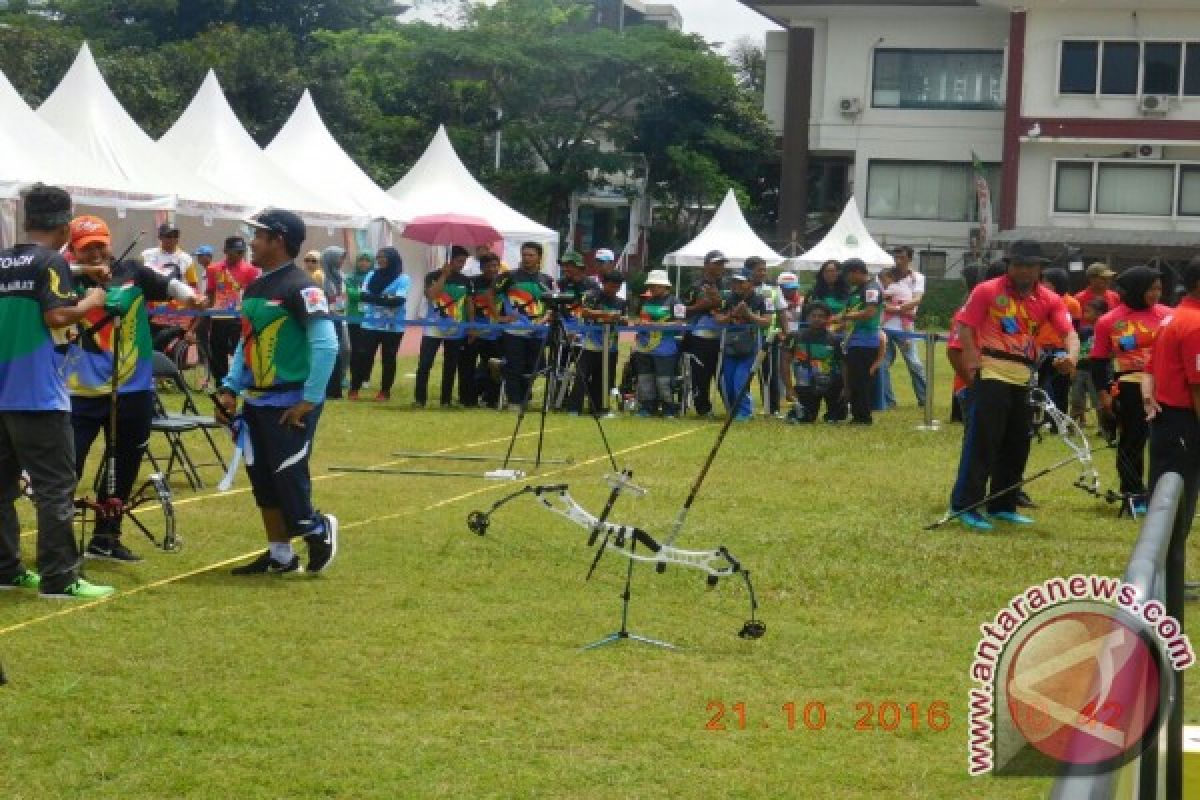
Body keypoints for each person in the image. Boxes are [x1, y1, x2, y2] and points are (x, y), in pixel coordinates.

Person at [66, 215, 203, 562]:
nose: (95, 253)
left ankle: (106, 537)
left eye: (100, 245)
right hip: (79, 392)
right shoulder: (63, 277)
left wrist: (190, 296)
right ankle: (59, 542)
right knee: (68, 466)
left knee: (124, 464)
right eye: (86, 248)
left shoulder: (132, 271)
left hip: (133, 389)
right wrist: (84, 274)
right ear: (73, 250)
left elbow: (168, 285)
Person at [0, 185, 114, 599]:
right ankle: (60, 578)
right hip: (38, 396)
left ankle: (7, 569)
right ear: (65, 225)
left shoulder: (5, 259)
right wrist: (92, 300)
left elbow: (31, 285)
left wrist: (80, 274)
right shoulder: (50, 261)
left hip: (3, 392)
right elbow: (57, 313)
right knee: (54, 491)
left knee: (1, 491)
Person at [216, 209, 338, 576]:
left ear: (278, 241)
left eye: (258, 236)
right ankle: (281, 556)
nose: (251, 242)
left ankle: (317, 528)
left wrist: (310, 399)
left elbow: (326, 345)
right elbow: (246, 344)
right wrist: (229, 388)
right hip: (255, 400)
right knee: (264, 483)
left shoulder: (303, 287)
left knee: (288, 477)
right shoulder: (254, 287)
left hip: (291, 403)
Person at [949, 240, 1078, 531]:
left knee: (1017, 444)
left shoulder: (1049, 299)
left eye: (1030, 266)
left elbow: (1069, 333)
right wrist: (970, 356)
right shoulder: (986, 290)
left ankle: (1003, 505)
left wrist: (1071, 356)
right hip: (991, 370)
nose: (1023, 272)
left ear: (1039, 269)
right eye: (1018, 265)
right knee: (983, 443)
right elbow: (966, 325)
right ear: (1009, 265)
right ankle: (964, 505)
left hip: (1024, 375)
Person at [1089, 266, 1171, 514]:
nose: (1157, 293)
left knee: (1166, 441)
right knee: (1132, 442)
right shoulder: (1109, 321)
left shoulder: (1169, 316)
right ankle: (1133, 493)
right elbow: (1099, 360)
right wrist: (1103, 395)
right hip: (1130, 387)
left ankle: (1163, 493)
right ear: (1136, 290)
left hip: (1166, 386)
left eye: (1159, 288)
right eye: (1151, 289)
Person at [1143, 257, 1200, 536]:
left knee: (1164, 494)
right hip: (1184, 421)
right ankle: (1169, 571)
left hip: (1166, 418)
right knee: (1179, 498)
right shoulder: (1196, 324)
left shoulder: (1171, 317)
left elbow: (1150, 366)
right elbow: (1197, 385)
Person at [495, 242, 555, 409]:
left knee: (533, 368)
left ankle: (525, 398)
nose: (527, 258)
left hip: (538, 332)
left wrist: (547, 317)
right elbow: (490, 295)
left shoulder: (547, 280)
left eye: (531, 255)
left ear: (539, 258)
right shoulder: (508, 277)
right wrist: (499, 316)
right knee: (514, 366)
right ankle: (514, 401)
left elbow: (553, 304)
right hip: (513, 332)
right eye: (524, 254)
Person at [350, 247, 409, 401]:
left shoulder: (403, 278)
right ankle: (354, 388)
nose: (381, 260)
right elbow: (362, 296)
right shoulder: (371, 275)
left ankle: (384, 391)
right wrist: (386, 299)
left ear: (393, 259)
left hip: (393, 327)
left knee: (388, 359)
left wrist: (375, 298)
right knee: (363, 356)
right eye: (379, 257)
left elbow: (399, 301)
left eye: (384, 257)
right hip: (370, 324)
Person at [415, 245, 471, 408]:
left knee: (451, 365)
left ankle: (445, 400)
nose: (462, 265)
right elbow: (431, 295)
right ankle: (420, 399)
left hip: (456, 330)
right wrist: (444, 276)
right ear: (450, 260)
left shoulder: (465, 281)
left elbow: (469, 304)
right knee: (425, 363)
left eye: (464, 262)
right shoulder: (432, 276)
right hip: (433, 328)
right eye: (459, 261)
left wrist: (470, 325)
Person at [714, 268, 770, 421]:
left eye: (740, 282)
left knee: (741, 379)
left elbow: (766, 322)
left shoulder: (760, 300)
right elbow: (718, 319)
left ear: (750, 283)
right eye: (734, 281)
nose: (736, 285)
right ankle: (733, 409)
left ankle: (744, 412)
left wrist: (748, 314)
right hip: (730, 345)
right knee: (729, 380)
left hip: (751, 347)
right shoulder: (729, 298)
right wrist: (732, 314)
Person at [203, 236, 261, 385]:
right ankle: (220, 381)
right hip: (218, 316)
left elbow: (253, 295)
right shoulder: (213, 269)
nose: (239, 255)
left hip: (239, 316)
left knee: (239, 349)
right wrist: (204, 308)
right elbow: (210, 292)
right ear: (226, 251)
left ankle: (240, 380)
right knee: (217, 349)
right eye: (235, 251)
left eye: (241, 252)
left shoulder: (251, 270)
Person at [681, 250, 730, 418]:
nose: (720, 267)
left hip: (725, 338)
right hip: (699, 337)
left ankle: (732, 407)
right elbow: (679, 311)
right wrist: (700, 306)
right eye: (716, 263)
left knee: (724, 373)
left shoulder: (728, 286)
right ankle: (703, 409)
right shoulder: (695, 287)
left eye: (722, 263)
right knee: (701, 374)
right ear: (706, 264)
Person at [573, 271, 626, 415]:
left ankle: (598, 408)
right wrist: (605, 315)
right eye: (611, 286)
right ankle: (574, 408)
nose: (613, 289)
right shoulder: (592, 296)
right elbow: (584, 312)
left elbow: (625, 320)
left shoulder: (621, 302)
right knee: (581, 376)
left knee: (603, 379)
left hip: (610, 346)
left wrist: (621, 320)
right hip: (589, 344)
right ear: (603, 283)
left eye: (617, 287)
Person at [783, 301, 845, 423]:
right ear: (807, 317)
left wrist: (846, 388)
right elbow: (785, 362)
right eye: (813, 315)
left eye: (821, 316)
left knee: (836, 418)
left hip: (832, 384)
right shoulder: (794, 337)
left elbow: (844, 364)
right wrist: (789, 388)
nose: (817, 319)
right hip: (806, 385)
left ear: (828, 318)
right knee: (804, 418)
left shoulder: (835, 339)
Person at [633, 269, 684, 416]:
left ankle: (668, 408)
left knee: (663, 381)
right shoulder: (646, 301)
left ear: (664, 286)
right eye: (651, 285)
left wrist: (661, 326)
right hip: (644, 346)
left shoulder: (676, 301)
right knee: (644, 378)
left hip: (665, 348)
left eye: (655, 285)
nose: (652, 288)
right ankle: (647, 407)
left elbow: (681, 324)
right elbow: (640, 320)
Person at [881, 245, 928, 407]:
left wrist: (898, 309)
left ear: (909, 258)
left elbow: (917, 299)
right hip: (885, 327)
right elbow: (880, 301)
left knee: (914, 363)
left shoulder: (918, 277)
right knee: (883, 364)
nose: (898, 260)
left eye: (901, 257)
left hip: (905, 328)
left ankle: (924, 400)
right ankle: (888, 400)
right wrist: (901, 309)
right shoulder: (885, 276)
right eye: (896, 257)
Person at [838, 259, 883, 425]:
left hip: (866, 341)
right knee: (854, 380)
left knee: (862, 381)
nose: (847, 279)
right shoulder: (857, 291)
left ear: (857, 271)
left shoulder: (872, 289)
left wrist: (845, 317)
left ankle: (863, 417)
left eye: (848, 275)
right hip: (853, 340)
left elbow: (870, 312)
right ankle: (857, 415)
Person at [142, 222, 199, 352]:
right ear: (160, 237)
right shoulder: (146, 255)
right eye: (168, 236)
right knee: (146, 346)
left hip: (174, 312)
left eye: (175, 236)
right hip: (150, 309)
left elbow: (193, 286)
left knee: (161, 343)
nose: (172, 239)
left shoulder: (186, 259)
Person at [1036, 268, 1082, 413]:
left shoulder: (1072, 304)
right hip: (1040, 349)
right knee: (1040, 385)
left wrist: (1072, 354)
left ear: (1055, 284)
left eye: (1045, 283)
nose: (1041, 285)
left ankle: (1060, 419)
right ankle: (1040, 418)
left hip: (1061, 350)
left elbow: (1074, 329)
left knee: (1061, 386)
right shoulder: (1038, 301)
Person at [461, 253, 503, 408]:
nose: (492, 269)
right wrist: (470, 327)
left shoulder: (503, 283)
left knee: (494, 367)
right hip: (475, 332)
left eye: (495, 266)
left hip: (495, 334)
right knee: (467, 366)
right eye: (488, 266)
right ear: (481, 268)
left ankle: (491, 398)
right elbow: (468, 304)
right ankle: (467, 399)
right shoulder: (473, 282)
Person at [748, 257, 784, 416]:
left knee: (769, 372)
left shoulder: (773, 290)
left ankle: (772, 408)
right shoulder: (741, 288)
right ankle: (745, 407)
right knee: (747, 372)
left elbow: (781, 311)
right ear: (749, 271)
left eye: (764, 269)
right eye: (759, 270)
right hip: (747, 337)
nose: (762, 273)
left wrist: (786, 332)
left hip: (769, 336)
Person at [1070, 296, 1110, 429]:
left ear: (1100, 314)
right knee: (1076, 397)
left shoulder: (1106, 331)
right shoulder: (1084, 331)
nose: (1084, 314)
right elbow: (1078, 348)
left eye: (1088, 312)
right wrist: (1073, 367)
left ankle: (1103, 426)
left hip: (1097, 370)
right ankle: (1073, 423)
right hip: (1081, 369)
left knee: (1098, 398)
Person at [320, 246, 350, 399]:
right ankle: (327, 388)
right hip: (325, 319)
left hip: (339, 318)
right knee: (331, 353)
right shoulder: (321, 277)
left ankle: (335, 388)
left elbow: (342, 297)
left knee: (343, 350)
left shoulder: (340, 276)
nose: (341, 261)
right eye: (340, 258)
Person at [344, 251, 373, 390]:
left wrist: (362, 294)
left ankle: (366, 377)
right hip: (354, 317)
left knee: (368, 350)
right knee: (355, 350)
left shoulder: (374, 277)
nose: (363, 263)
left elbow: (375, 294)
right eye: (361, 260)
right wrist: (367, 295)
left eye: (367, 260)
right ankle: (355, 377)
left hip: (370, 318)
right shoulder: (350, 277)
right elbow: (351, 294)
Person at [804, 259, 849, 333]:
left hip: (843, 332)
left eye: (832, 271)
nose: (829, 274)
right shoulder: (813, 292)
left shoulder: (849, 293)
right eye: (826, 271)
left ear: (840, 273)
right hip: (818, 332)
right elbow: (806, 313)